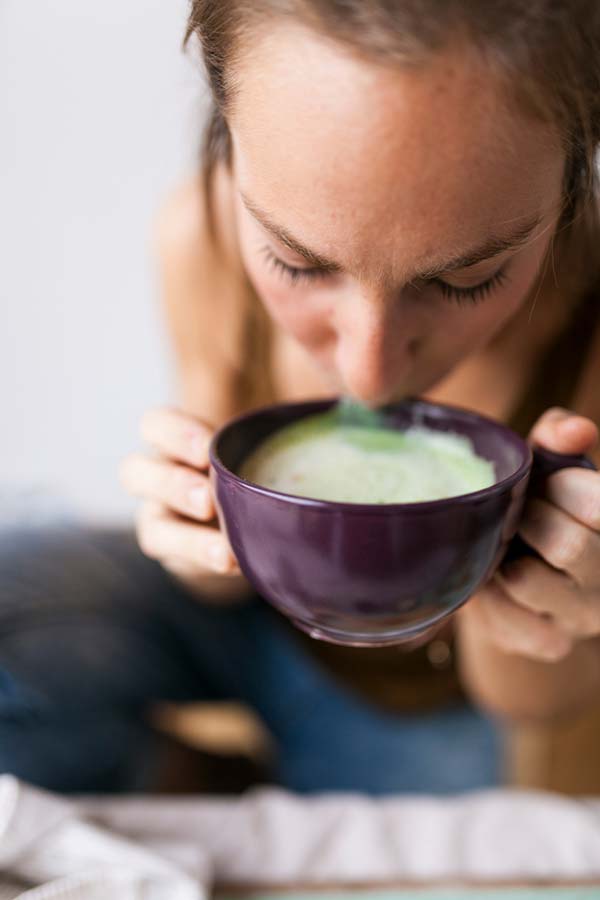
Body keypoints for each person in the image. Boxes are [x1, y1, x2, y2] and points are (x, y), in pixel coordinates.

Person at [2, 0, 600, 795]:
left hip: (419, 700)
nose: (368, 377)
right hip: (245, 622)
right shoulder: (198, 239)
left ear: (575, 180)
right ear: (226, 135)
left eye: (468, 278)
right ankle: (205, 784)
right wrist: (196, 527)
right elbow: (216, 585)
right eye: (296, 262)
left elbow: (532, 704)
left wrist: (538, 601)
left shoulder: (588, 331)